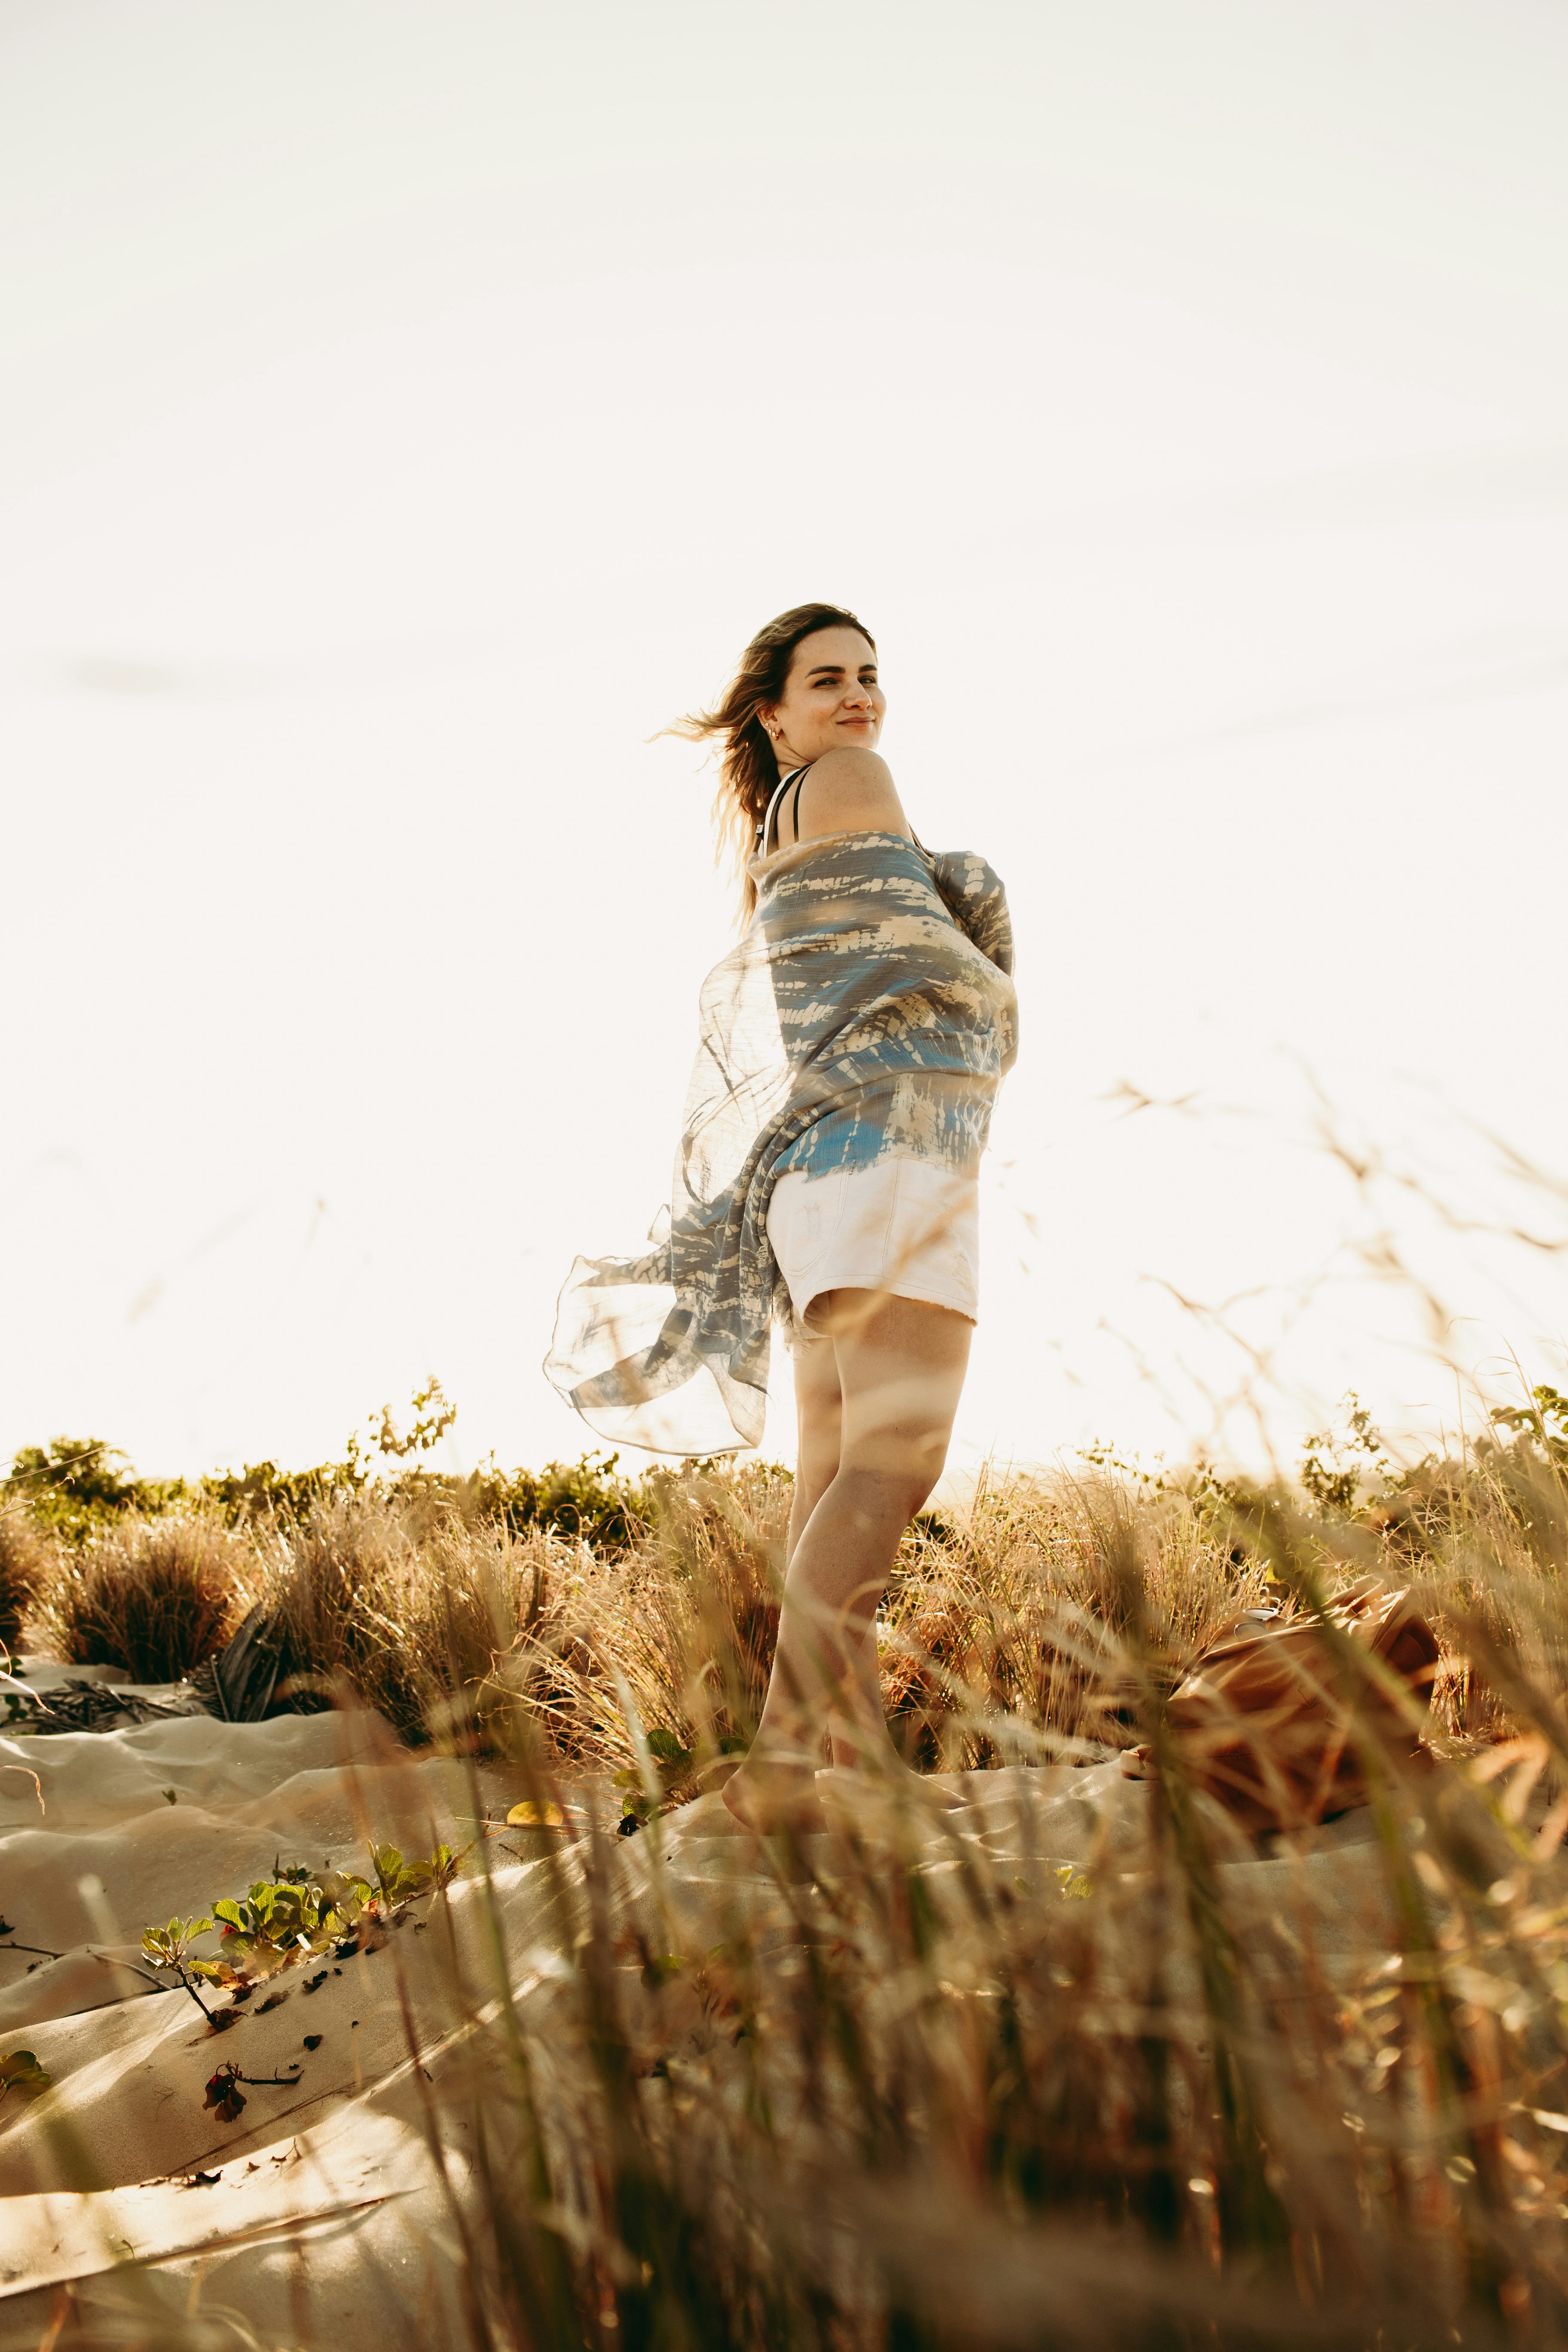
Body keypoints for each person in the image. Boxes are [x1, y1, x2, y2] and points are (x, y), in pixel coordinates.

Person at [546, 603, 1017, 1829]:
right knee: (891, 1475)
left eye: (870, 676)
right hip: (897, 1166)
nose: (859, 699)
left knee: (830, 1484)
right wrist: (995, 966)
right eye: (828, 680)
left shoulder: (783, 823)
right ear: (775, 712)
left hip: (824, 1191)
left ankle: (839, 1768)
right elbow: (945, 967)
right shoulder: (855, 780)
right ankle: (777, 1771)